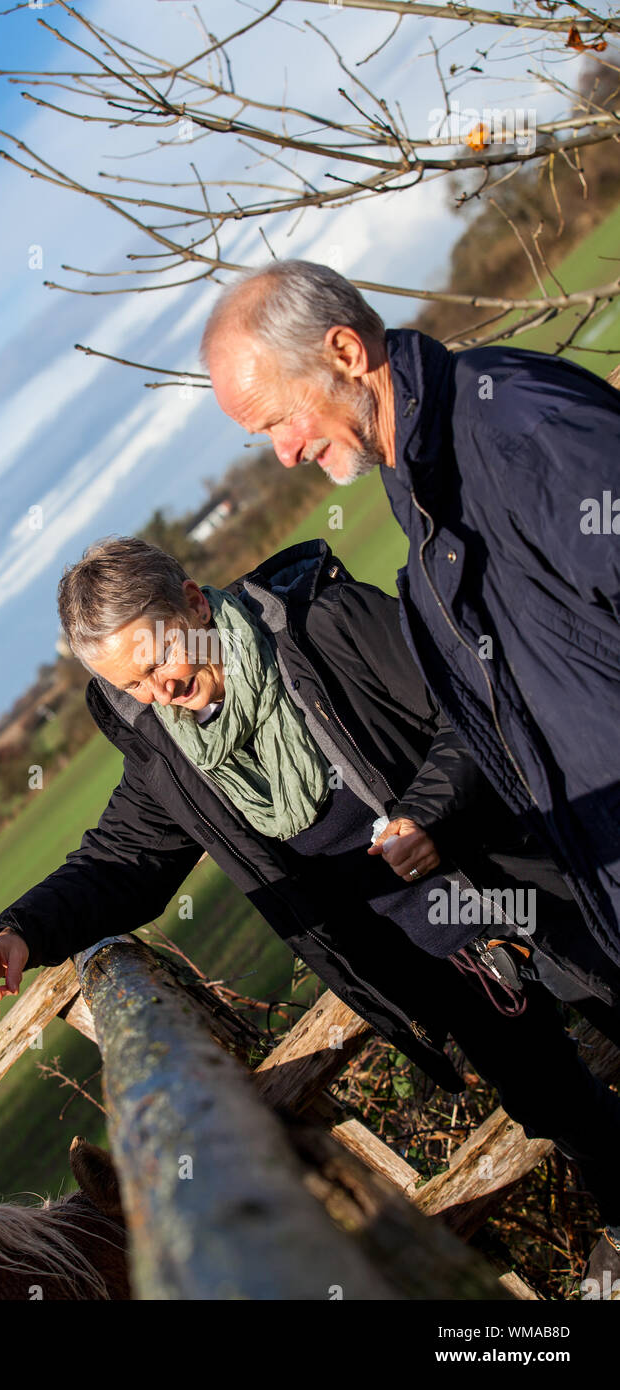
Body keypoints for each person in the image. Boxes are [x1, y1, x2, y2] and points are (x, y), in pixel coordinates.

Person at [0, 534, 620, 1284]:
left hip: (533, 887)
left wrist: (429, 812)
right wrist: (21, 930)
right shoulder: (168, 753)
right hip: (442, 962)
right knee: (557, 1106)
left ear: (191, 603)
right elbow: (125, 861)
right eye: (132, 685)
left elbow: (473, 709)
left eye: (159, 662)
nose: (157, 693)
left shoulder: (323, 625)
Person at [200, 258, 620, 978]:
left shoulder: (513, 426)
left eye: (280, 419)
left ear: (345, 353)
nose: (287, 452)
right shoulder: (420, 484)